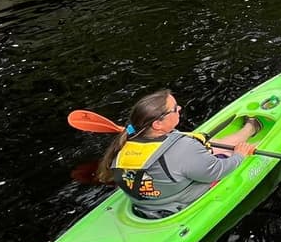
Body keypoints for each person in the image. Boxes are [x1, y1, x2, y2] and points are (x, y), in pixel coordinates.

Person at [97, 89, 258, 219]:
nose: (179, 108)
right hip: (178, 202)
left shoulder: (126, 141)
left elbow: (181, 155)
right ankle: (251, 129)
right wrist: (239, 156)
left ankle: (247, 130)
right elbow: (217, 171)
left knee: (205, 149)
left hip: (146, 203)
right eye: (175, 108)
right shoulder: (184, 148)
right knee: (231, 152)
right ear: (158, 123)